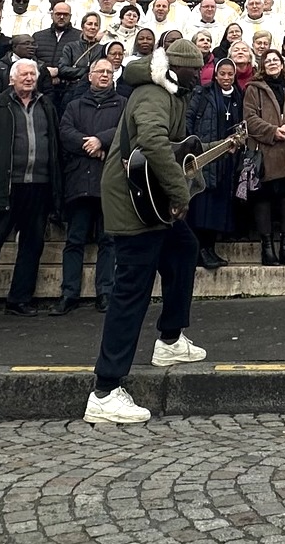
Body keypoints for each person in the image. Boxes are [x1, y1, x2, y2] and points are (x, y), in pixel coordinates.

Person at [86, 40, 212, 426]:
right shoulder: (154, 93)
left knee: (184, 249)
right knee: (131, 291)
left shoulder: (173, 92)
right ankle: (105, 390)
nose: (201, 77)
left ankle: (170, 339)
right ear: (178, 69)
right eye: (196, 72)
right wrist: (179, 192)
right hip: (134, 202)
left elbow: (168, 148)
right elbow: (153, 141)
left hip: (147, 198)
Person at [0, 57, 58, 322]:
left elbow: (53, 145)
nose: (29, 78)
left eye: (33, 75)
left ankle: (19, 299)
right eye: (24, 74)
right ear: (12, 78)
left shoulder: (46, 105)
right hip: (5, 187)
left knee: (32, 245)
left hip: (38, 187)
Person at [56, 56, 122, 313]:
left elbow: (126, 130)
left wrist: (101, 141)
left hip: (109, 183)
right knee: (74, 240)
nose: (105, 75)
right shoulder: (74, 105)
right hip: (79, 181)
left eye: (109, 71)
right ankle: (69, 294)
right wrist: (91, 145)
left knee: (108, 241)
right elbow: (65, 132)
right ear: (89, 76)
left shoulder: (123, 104)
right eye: (100, 71)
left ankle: (105, 292)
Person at [244, 49, 285, 266]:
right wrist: (272, 130)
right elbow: (249, 118)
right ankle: (267, 248)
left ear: (282, 64)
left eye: (275, 60)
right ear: (262, 66)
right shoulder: (253, 88)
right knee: (264, 199)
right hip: (265, 150)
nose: (272, 63)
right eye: (267, 61)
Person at [185, 46, 245, 269]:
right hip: (206, 155)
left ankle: (210, 247)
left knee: (219, 206)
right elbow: (189, 120)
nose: (227, 78)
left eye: (231, 74)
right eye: (223, 74)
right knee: (202, 205)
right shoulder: (202, 93)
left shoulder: (239, 96)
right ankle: (200, 250)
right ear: (216, 74)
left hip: (227, 158)